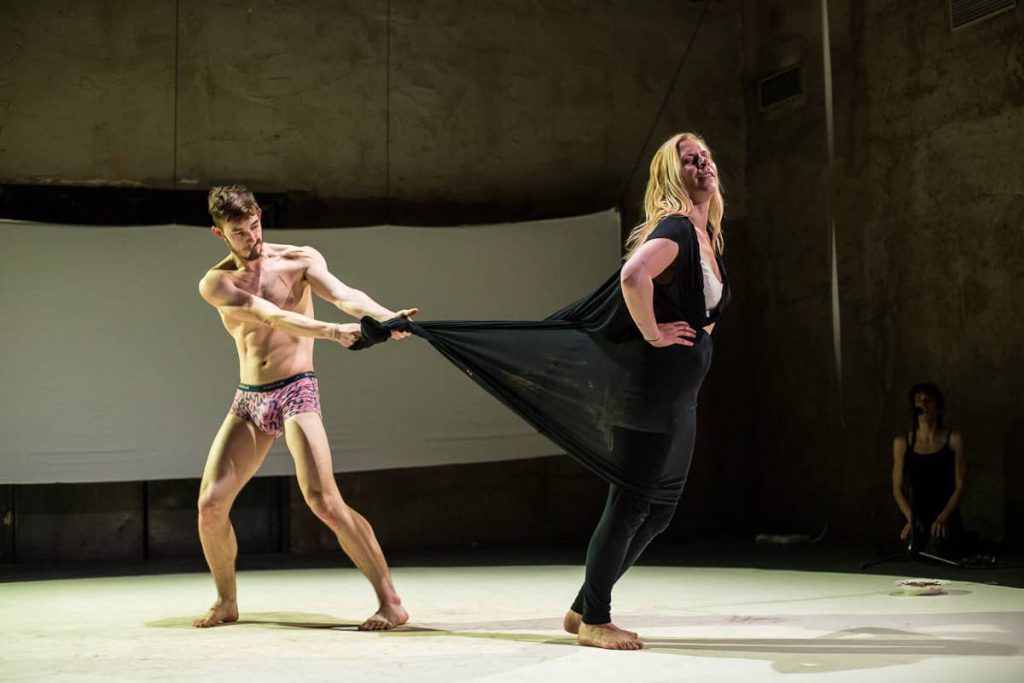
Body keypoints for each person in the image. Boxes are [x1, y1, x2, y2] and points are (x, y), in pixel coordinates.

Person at [359, 131, 729, 650]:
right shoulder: (677, 229)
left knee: (661, 508)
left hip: (679, 396)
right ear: (673, 175)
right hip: (650, 392)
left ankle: (583, 607)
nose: (703, 165)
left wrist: (695, 342)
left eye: (706, 157)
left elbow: (702, 310)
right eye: (690, 160)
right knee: (631, 503)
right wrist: (653, 333)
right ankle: (596, 619)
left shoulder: (706, 237)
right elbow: (634, 276)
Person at [193, 185, 417, 630]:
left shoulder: (300, 259)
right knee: (210, 507)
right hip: (250, 397)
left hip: (296, 389)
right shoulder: (217, 283)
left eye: (253, 226)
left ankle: (391, 603)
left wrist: (385, 317)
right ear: (219, 234)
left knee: (323, 501)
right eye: (239, 233)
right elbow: (270, 315)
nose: (251, 238)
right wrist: (333, 332)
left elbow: (343, 294)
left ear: (259, 214)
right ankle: (226, 601)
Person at [891, 382, 966, 556]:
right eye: (918, 400)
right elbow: (897, 488)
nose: (923, 404)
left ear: (939, 408)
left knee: (938, 549)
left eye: (928, 400)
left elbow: (960, 485)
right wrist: (910, 517)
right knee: (912, 550)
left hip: (944, 513)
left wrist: (943, 518)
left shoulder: (953, 439)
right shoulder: (902, 442)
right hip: (914, 513)